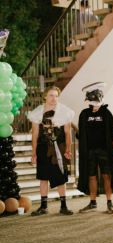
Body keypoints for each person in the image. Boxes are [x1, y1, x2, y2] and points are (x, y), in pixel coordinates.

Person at [28, 86, 74, 216]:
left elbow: (67, 133)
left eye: (56, 96)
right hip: (43, 147)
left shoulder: (64, 112)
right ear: (45, 97)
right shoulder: (37, 112)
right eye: (51, 95)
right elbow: (35, 134)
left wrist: (68, 149)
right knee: (43, 177)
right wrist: (34, 153)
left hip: (58, 148)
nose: (54, 98)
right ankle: (43, 206)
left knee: (60, 177)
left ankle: (63, 206)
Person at [77, 82, 113, 213]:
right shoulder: (84, 114)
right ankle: (93, 202)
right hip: (89, 151)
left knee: (107, 175)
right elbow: (81, 133)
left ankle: (109, 202)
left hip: (104, 150)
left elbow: (112, 132)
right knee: (91, 176)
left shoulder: (106, 113)